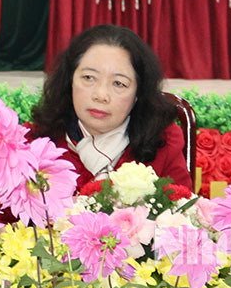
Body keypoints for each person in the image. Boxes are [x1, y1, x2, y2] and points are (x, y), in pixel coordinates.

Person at [30, 24, 192, 189]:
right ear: (69, 80)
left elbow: (181, 203)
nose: (101, 95)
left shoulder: (162, 141)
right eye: (88, 77)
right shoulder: (38, 142)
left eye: (119, 83)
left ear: (137, 94)